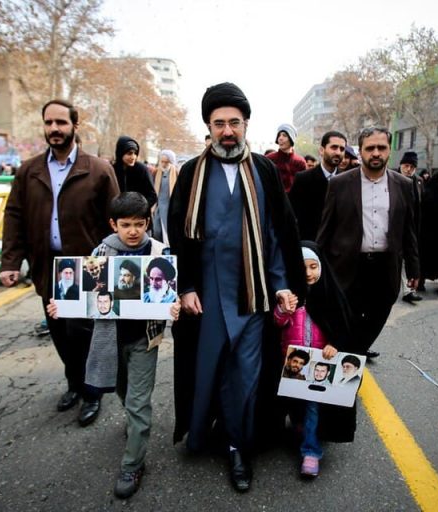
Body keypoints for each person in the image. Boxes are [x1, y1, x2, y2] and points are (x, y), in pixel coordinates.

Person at [168, 82, 306, 492]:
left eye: (234, 123)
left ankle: (237, 447)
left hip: (253, 293)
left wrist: (282, 285)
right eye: (219, 123)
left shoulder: (263, 169)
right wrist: (186, 285)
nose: (227, 131)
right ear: (208, 127)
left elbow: (278, 234)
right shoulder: (192, 171)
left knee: (246, 376)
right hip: (206, 296)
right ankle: (202, 431)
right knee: (207, 370)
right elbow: (177, 233)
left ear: (246, 124)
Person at [50, 191, 179, 498]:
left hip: (144, 339)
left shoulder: (160, 252)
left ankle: (132, 464)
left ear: (148, 222)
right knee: (122, 389)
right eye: (125, 224)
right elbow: (83, 293)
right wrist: (62, 305)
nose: (133, 231)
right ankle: (136, 424)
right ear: (114, 224)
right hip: (110, 339)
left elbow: (170, 293)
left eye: (139, 224)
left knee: (138, 402)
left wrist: (173, 309)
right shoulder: (101, 252)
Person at [0, 99, 119, 424]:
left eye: (61, 123)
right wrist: (10, 261)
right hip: (48, 268)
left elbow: (117, 220)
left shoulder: (98, 169)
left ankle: (92, 391)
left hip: (87, 269)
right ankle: (74, 385)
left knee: (82, 332)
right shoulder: (29, 171)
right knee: (58, 332)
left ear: (74, 127)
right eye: (49, 123)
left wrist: (117, 263)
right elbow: (14, 215)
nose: (54, 129)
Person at [317, 127, 419, 359]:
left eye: (381, 148)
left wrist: (414, 267)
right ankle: (348, 371)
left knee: (375, 319)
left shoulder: (404, 185)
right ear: (360, 151)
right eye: (370, 148)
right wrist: (316, 267)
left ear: (389, 151)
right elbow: (326, 229)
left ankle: (355, 353)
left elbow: (409, 229)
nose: (375, 153)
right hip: (347, 267)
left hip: (385, 268)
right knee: (343, 322)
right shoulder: (339, 183)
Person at [272, 241, 354, 477]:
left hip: (319, 366)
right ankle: (297, 428)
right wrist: (283, 311)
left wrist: (334, 345)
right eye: (301, 267)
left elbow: (341, 326)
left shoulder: (329, 295)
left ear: (322, 267)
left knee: (312, 407)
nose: (307, 273)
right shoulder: (291, 297)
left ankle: (311, 451)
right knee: (291, 403)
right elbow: (276, 324)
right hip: (290, 364)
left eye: (313, 266)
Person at [288, 131, 347, 242]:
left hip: (338, 248)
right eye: (334, 147)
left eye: (342, 149)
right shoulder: (303, 179)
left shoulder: (347, 180)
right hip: (310, 247)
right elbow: (292, 214)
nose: (338, 152)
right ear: (321, 150)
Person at [398, 151, 424, 303]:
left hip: (412, 227)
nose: (408, 169)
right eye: (406, 166)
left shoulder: (419, 182)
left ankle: (408, 290)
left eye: (412, 167)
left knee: (408, 259)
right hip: (396, 227)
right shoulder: (393, 179)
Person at [113, 136, 157, 210]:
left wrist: (140, 210)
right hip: (119, 216)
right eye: (129, 153)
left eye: (135, 153)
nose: (133, 157)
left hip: (139, 216)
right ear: (120, 153)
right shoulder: (112, 170)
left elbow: (152, 196)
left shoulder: (142, 170)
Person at [266, 123, 306, 193]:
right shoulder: (269, 159)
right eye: (279, 135)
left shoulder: (300, 162)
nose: (280, 138)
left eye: (284, 135)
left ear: (291, 138)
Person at [152, 149, 178, 245]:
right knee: (157, 230)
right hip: (158, 206)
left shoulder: (175, 172)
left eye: (166, 162)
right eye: (162, 162)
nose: (163, 164)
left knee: (168, 231)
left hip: (170, 206)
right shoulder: (156, 172)